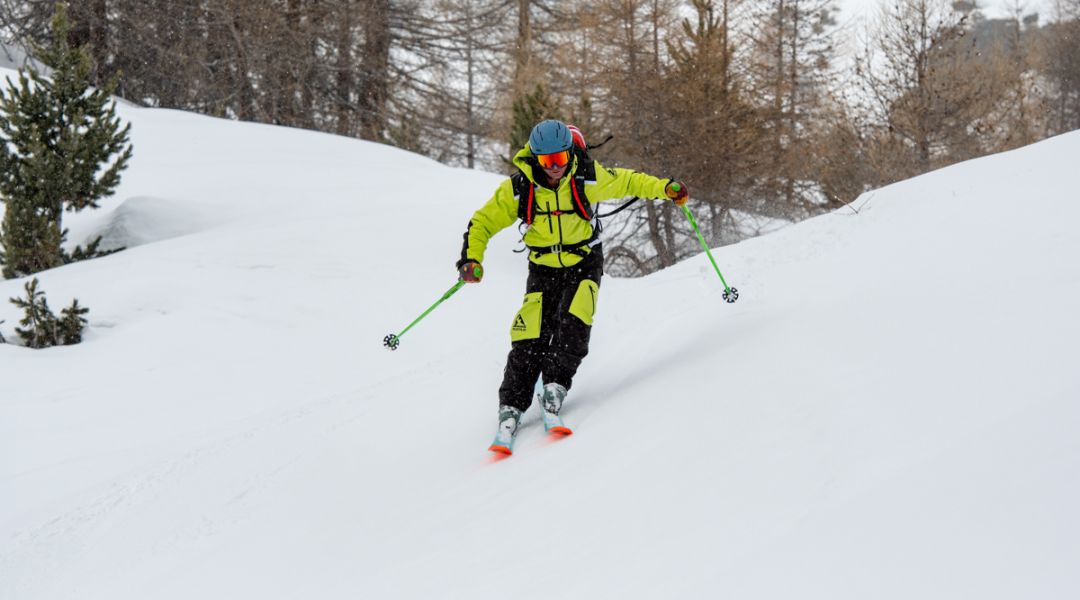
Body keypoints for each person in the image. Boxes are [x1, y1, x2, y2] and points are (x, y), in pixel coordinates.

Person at [456, 119, 689, 454]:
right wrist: (471, 259)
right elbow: (483, 221)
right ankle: (512, 405)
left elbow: (630, 181)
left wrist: (666, 188)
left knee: (574, 326)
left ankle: (555, 386)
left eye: (561, 160)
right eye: (547, 162)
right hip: (543, 266)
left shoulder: (587, 178)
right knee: (529, 335)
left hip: (584, 262)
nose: (555, 169)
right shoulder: (520, 189)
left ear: (570, 155)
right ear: (535, 158)